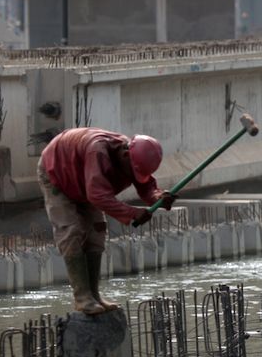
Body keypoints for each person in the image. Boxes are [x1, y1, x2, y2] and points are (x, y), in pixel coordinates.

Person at [38, 129, 175, 315]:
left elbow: (145, 186)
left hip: (85, 182)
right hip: (58, 174)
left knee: (97, 232)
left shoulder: (132, 158)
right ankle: (82, 297)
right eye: (133, 172)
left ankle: (94, 294)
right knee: (71, 230)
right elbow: (98, 196)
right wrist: (133, 213)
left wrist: (158, 197)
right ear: (126, 155)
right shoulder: (98, 151)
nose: (134, 177)